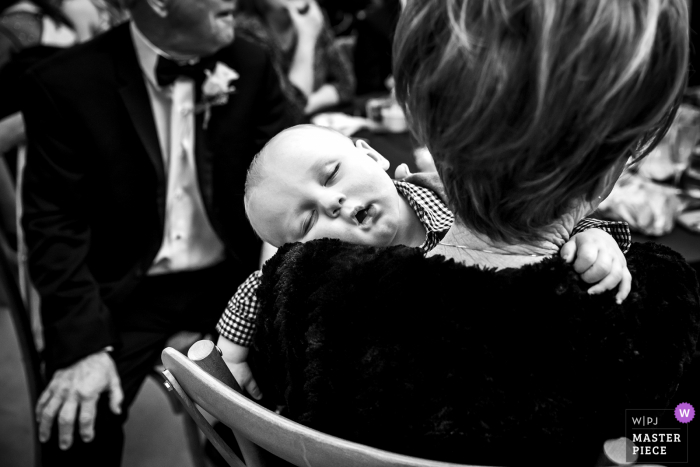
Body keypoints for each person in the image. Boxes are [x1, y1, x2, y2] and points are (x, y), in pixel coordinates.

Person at [245, 0, 700, 466]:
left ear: (422, 120)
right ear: (617, 159)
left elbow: (267, 402)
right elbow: (669, 441)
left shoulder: (303, 282)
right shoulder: (657, 306)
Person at [19, 0, 294, 464]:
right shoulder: (64, 84)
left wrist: (271, 286)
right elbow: (54, 228)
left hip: (233, 280)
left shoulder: (250, 62)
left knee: (289, 394)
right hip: (125, 288)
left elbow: (288, 175)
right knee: (78, 423)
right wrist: (84, 348)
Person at [216, 123, 634, 398]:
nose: (332, 202)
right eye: (308, 220)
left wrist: (594, 236)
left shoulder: (451, 194)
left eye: (330, 175)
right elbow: (262, 283)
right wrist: (232, 353)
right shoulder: (328, 272)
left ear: (373, 157)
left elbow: (540, 220)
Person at [235, 0, 355, 119]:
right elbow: (289, 113)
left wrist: (307, 104)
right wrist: (307, 37)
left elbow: (346, 85)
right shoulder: (246, 33)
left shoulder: (312, 18)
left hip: (319, 122)